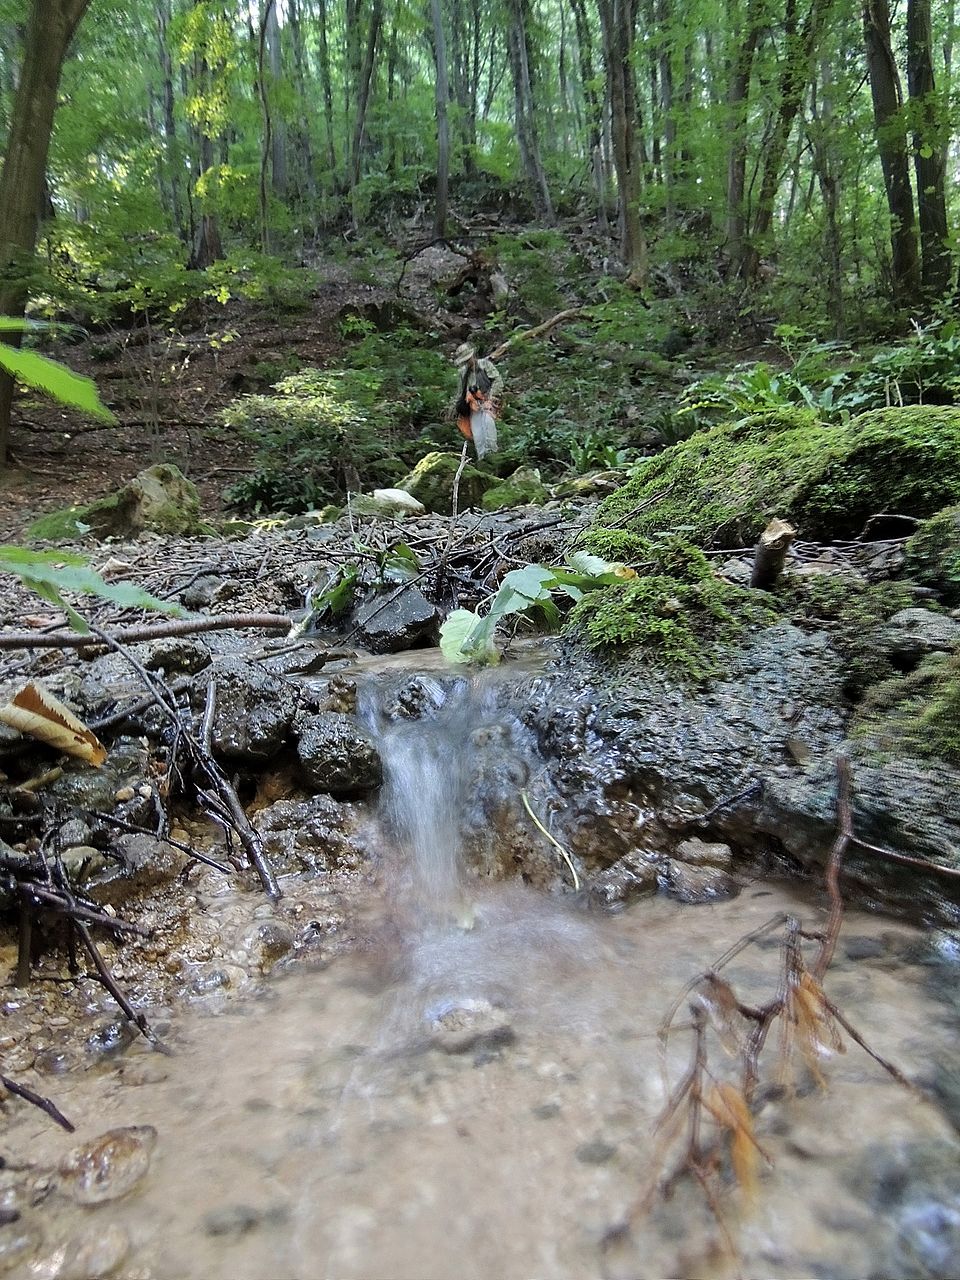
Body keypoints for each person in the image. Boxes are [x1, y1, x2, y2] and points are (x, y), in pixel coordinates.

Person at [452, 341, 503, 459]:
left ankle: (493, 458)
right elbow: (461, 392)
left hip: (487, 403)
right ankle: (482, 460)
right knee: (478, 436)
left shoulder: (485, 365)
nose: (468, 362)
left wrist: (491, 398)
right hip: (473, 407)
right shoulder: (463, 373)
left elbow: (497, 381)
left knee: (489, 431)